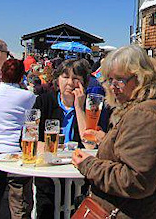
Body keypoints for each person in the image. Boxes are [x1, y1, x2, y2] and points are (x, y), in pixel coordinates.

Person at [71, 45, 156, 218]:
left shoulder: (144, 114)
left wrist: (89, 165)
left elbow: (136, 180)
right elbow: (140, 156)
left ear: (141, 79)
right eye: (110, 80)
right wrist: (107, 140)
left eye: (120, 80)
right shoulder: (148, 108)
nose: (113, 87)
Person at [32, 59, 95, 219]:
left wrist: (79, 108)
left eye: (76, 79)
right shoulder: (44, 101)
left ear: (83, 83)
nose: (70, 83)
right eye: (65, 77)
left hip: (79, 178)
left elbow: (89, 145)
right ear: (57, 80)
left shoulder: (91, 106)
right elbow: (31, 138)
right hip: (49, 175)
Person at [0, 59, 36, 219]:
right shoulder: (28, 96)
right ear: (21, 77)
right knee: (20, 202)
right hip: (15, 151)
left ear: (1, 73)